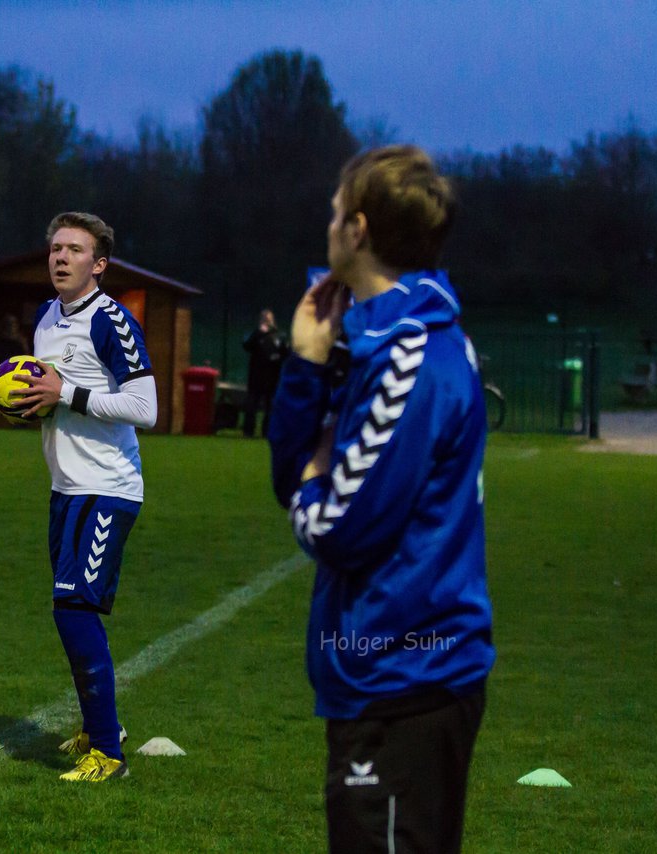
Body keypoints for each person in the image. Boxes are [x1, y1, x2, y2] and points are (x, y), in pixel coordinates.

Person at [268, 145, 494, 853]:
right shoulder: (382, 336)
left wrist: (310, 485)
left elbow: (336, 525)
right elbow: (293, 470)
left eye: (336, 211)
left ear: (358, 230)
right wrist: (305, 364)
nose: (327, 223)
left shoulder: (410, 358)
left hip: (405, 676)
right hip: (390, 671)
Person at [9, 212, 157, 782]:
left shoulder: (113, 321)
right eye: (55, 248)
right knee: (71, 612)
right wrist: (30, 405)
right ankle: (105, 731)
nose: (60, 257)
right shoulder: (46, 317)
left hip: (108, 488)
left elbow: (146, 410)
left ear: (99, 264)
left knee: (74, 611)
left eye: (74, 249)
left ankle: (110, 756)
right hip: (65, 487)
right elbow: (54, 396)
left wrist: (64, 392)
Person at [241, 308, 288, 437]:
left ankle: (267, 431)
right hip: (256, 376)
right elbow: (246, 346)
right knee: (251, 404)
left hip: (272, 377)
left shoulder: (279, 335)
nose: (266, 321)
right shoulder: (255, 335)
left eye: (268, 318)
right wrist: (258, 333)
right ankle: (248, 431)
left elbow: (285, 353)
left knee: (270, 406)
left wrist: (277, 357)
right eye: (264, 318)